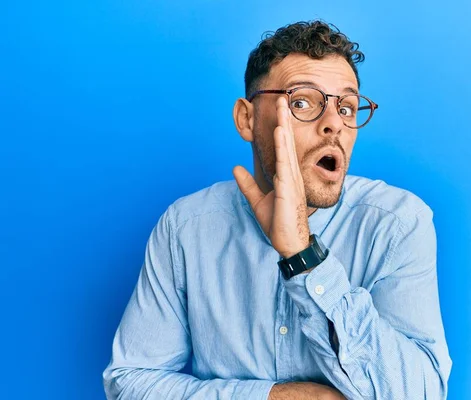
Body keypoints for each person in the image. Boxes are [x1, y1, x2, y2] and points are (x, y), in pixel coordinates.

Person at [103, 20, 452, 399]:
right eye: (302, 102)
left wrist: (304, 256)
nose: (333, 124)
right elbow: (131, 382)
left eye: (347, 108)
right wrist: (277, 397)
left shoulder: (398, 223)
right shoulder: (186, 227)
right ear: (247, 119)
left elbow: (421, 394)